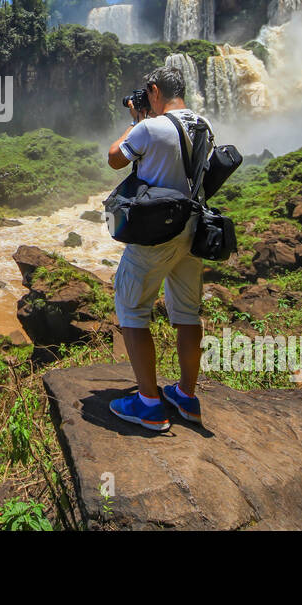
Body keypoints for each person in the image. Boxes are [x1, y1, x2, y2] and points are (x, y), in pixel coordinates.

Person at [105, 65, 212, 431]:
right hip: (194, 230)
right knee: (186, 313)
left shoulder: (150, 127)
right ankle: (186, 395)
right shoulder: (203, 125)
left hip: (157, 231)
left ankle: (149, 404)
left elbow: (115, 157)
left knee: (132, 309)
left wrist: (137, 122)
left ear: (153, 91)